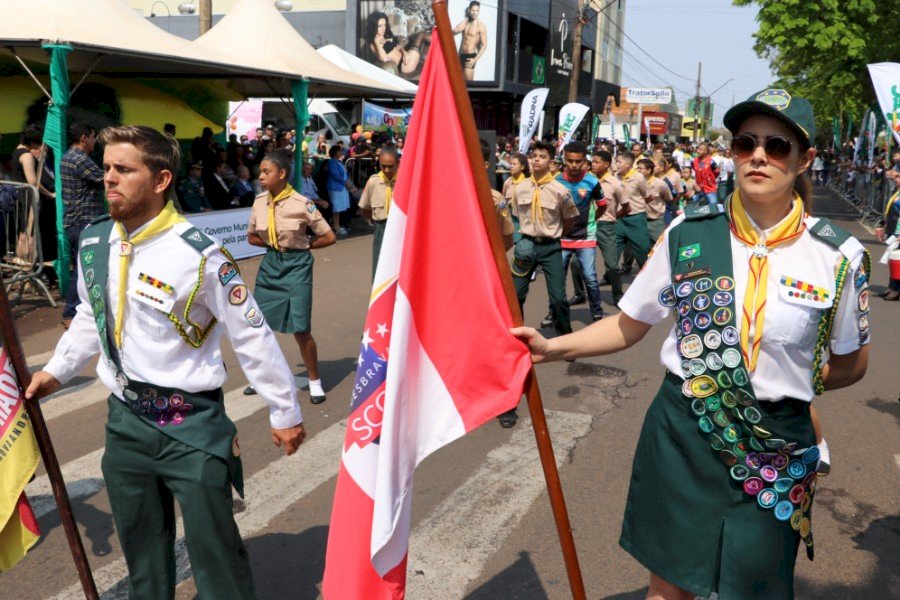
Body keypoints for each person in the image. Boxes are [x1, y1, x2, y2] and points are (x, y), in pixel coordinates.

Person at [511, 89, 870, 599]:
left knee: (755, 589)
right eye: (745, 144)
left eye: (777, 146)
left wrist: (784, 384)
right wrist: (552, 349)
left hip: (774, 445)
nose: (759, 156)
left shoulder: (838, 257)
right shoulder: (688, 234)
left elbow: (852, 363)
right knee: (669, 587)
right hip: (685, 432)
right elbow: (628, 325)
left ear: (805, 159)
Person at [26, 125, 307, 600]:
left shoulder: (199, 254)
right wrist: (56, 371)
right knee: (142, 549)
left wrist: (285, 410)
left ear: (160, 180)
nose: (108, 178)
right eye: (107, 167)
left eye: (123, 169)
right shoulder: (95, 241)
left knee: (215, 551)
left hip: (192, 424)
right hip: (125, 423)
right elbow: (92, 316)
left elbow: (251, 334)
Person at [245, 149, 336, 403]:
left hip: (297, 266)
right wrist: (274, 244)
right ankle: (262, 378)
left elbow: (329, 237)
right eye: (261, 172)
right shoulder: (259, 201)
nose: (261, 176)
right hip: (271, 265)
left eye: (266, 172)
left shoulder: (302, 203)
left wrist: (304, 245)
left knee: (301, 328)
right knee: (259, 326)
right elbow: (251, 237)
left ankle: (314, 381)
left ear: (282, 173)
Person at [60, 122, 105, 328]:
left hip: (76, 221)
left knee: (83, 268)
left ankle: (76, 311)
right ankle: (70, 312)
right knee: (83, 269)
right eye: (94, 137)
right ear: (84, 138)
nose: (95, 141)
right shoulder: (79, 159)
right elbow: (104, 179)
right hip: (83, 221)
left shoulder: (68, 156)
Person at [554, 141, 605, 322]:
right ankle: (555, 312)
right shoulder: (556, 181)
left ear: (585, 161)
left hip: (586, 237)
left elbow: (602, 206)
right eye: (570, 161)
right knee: (557, 279)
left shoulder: (592, 181)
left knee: (590, 277)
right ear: (564, 159)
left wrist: (590, 222)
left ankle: (597, 312)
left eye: (578, 161)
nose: (574, 165)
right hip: (562, 237)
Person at [591, 150, 627, 305]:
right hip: (588, 227)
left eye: (596, 161)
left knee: (612, 266)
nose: (593, 164)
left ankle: (618, 295)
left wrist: (613, 217)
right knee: (576, 264)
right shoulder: (587, 180)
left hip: (606, 227)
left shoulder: (615, 184)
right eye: (592, 161)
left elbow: (627, 207)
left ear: (606, 164)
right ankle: (579, 293)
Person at [358, 145, 399, 278]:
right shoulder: (373, 182)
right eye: (383, 166)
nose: (386, 170)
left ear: (398, 163)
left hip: (401, 230)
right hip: (380, 228)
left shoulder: (406, 181)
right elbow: (365, 209)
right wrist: (378, 222)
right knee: (379, 266)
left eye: (390, 166)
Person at [614, 151, 651, 271]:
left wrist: (637, 206)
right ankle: (609, 276)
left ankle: (646, 275)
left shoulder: (639, 178)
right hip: (619, 218)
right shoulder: (615, 177)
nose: (616, 164)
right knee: (613, 250)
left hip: (636, 218)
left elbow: (648, 196)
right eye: (616, 162)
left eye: (619, 162)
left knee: (643, 249)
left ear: (628, 164)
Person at [364, 11, 429, 77]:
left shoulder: (385, 36)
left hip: (406, 58)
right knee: (421, 35)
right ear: (373, 26)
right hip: (404, 66)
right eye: (380, 26)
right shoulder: (373, 44)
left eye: (384, 25)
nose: (383, 28)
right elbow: (384, 59)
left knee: (422, 37)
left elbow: (397, 48)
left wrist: (405, 53)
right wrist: (376, 41)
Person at [875, 168, 900, 300]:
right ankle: (892, 286)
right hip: (893, 228)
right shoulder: (897, 192)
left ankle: (896, 289)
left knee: (897, 260)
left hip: (898, 231)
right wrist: (882, 226)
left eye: (897, 177)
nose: (895, 180)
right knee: (893, 260)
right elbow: (890, 211)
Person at [640, 157, 673, 244]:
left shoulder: (661, 183)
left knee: (660, 245)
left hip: (656, 221)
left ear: (648, 170)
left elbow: (669, 198)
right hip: (641, 220)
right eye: (637, 168)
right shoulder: (637, 182)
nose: (637, 170)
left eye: (640, 168)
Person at [452, 0, 488, 82]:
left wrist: (475, 59)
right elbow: (454, 31)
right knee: (459, 82)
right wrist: (465, 20)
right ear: (469, 10)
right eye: (473, 10)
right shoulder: (465, 23)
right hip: (461, 55)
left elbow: (484, 45)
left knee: (469, 84)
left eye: (477, 10)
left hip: (470, 57)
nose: (475, 13)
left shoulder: (481, 26)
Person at [325, 145, 351, 236]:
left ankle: (337, 225)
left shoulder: (339, 162)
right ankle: (336, 226)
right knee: (336, 208)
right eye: (340, 151)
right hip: (335, 187)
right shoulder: (331, 162)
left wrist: (347, 183)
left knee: (339, 208)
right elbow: (335, 175)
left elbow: (344, 174)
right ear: (335, 153)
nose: (341, 152)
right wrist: (345, 182)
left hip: (342, 187)